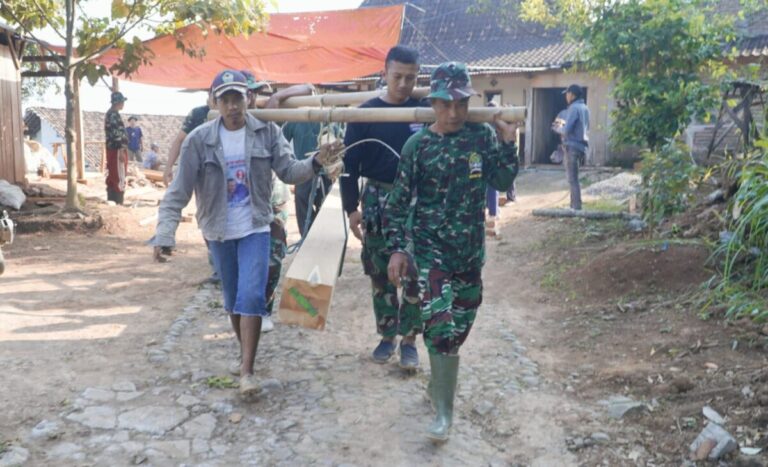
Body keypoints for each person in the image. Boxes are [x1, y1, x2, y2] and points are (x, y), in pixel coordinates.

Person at [150, 69, 342, 396]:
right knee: (233, 300)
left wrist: (315, 163)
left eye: (237, 97)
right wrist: (164, 232)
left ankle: (247, 370)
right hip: (218, 230)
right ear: (215, 102)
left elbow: (289, 171)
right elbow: (178, 191)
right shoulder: (199, 140)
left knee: (252, 295)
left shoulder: (266, 132)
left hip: (256, 226)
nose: (232, 105)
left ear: (248, 98)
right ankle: (245, 356)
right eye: (224, 98)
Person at [384, 62, 519, 442]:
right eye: (446, 104)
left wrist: (508, 142)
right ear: (434, 103)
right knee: (441, 330)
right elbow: (396, 204)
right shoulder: (418, 146)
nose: (454, 112)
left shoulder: (481, 137)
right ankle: (444, 414)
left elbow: (504, 181)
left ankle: (438, 387)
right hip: (430, 254)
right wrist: (397, 250)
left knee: (460, 327)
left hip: (469, 255)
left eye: (461, 103)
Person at [341, 45, 424, 370]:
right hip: (376, 200)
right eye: (398, 76)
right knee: (380, 272)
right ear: (384, 73)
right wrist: (351, 210)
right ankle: (387, 335)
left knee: (415, 272)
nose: (404, 84)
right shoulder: (365, 114)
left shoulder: (426, 110)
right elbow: (348, 167)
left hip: (415, 201)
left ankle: (409, 340)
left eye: (411, 78)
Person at [282, 121, 339, 237]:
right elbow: (281, 144)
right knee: (307, 211)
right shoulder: (295, 120)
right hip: (303, 173)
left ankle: (315, 241)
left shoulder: (329, 119)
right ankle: (308, 242)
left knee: (322, 212)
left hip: (323, 173)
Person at [555, 84, 590, 210]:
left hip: (572, 146)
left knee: (572, 179)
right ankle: (574, 205)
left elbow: (567, 129)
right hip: (582, 147)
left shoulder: (574, 108)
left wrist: (557, 128)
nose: (566, 96)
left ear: (572, 95)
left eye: (567, 93)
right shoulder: (585, 108)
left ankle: (575, 207)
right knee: (575, 178)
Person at [104, 91, 129, 205]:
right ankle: (118, 201)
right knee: (119, 176)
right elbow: (117, 135)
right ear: (118, 102)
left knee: (113, 175)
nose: (123, 104)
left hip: (113, 148)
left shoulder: (111, 114)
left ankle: (112, 200)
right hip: (117, 149)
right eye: (122, 102)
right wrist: (121, 151)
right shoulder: (113, 115)